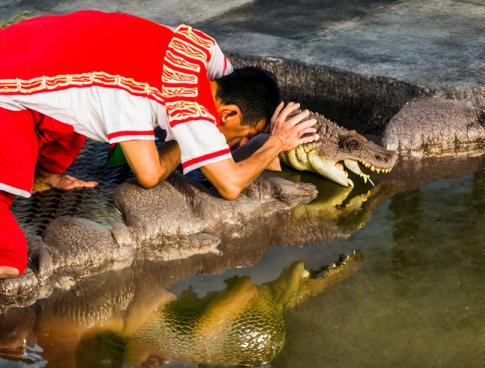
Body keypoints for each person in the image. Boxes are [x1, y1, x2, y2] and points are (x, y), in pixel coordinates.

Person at [0, 11, 318, 278]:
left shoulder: (206, 53)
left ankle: (42, 173)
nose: (242, 143)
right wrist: (276, 142)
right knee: (10, 258)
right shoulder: (189, 106)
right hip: (8, 78)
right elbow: (214, 183)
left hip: (31, 42)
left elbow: (235, 91)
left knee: (77, 116)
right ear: (229, 113)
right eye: (247, 135)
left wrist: (206, 136)